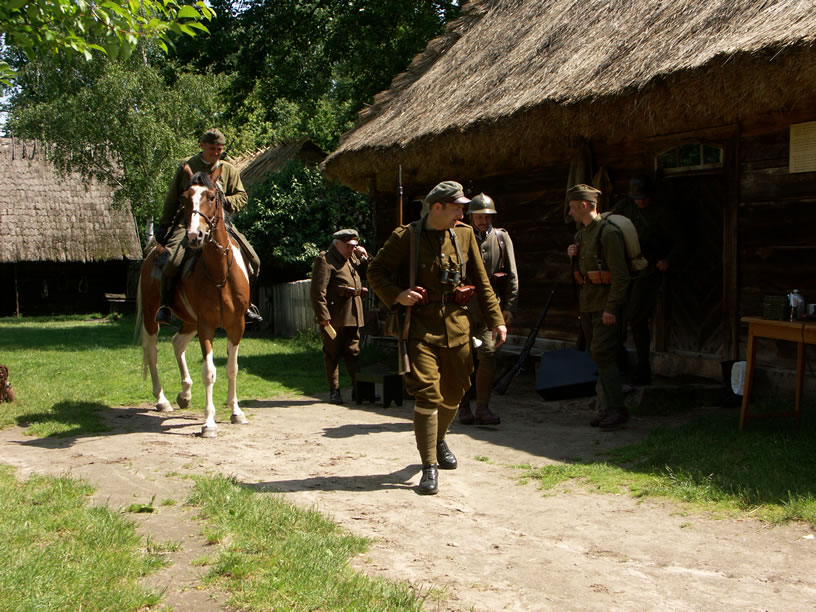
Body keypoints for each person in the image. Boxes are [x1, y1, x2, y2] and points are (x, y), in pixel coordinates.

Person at [368, 181, 506, 495]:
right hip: (418, 326)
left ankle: (439, 438)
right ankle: (429, 464)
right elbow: (375, 272)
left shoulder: (465, 235)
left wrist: (497, 321)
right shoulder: (406, 237)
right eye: (457, 208)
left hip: (457, 326)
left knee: (455, 392)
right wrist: (398, 295)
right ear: (437, 207)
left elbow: (482, 283)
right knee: (428, 394)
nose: (462, 214)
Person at [154, 128, 263, 325]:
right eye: (212, 148)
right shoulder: (187, 166)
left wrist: (223, 200)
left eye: (219, 149)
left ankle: (246, 305)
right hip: (188, 223)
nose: (216, 152)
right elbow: (172, 198)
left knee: (254, 261)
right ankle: (166, 305)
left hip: (220, 223)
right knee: (172, 261)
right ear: (202, 146)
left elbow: (242, 196)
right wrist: (164, 224)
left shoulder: (228, 169)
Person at [566, 184, 630, 430]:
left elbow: (620, 276)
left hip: (605, 305)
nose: (570, 213)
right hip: (589, 304)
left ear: (583, 205)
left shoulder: (608, 233)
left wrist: (611, 308)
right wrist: (572, 254)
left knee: (603, 353)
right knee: (597, 355)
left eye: (572, 207)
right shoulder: (582, 235)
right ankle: (607, 408)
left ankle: (618, 409)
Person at [612, 176, 682, 385]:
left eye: (643, 197)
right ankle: (618, 363)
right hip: (625, 269)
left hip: (648, 270)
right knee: (616, 314)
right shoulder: (624, 207)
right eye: (637, 198)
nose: (640, 201)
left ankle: (643, 369)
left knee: (637, 318)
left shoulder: (662, 213)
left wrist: (668, 260)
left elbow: (680, 240)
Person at [458, 193, 519, 425]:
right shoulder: (460, 237)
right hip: (463, 307)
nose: (484, 220)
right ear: (471, 216)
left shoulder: (501, 237)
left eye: (488, 216)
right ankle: (463, 406)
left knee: (488, 354)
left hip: (490, 307)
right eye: (479, 216)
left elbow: (512, 275)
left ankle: (483, 408)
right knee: (463, 357)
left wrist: (509, 306)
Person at [310, 229, 370, 405]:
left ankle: (359, 391)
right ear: (338, 244)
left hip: (353, 314)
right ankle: (334, 391)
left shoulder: (353, 259)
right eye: (349, 246)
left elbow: (370, 273)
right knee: (332, 354)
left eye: (354, 246)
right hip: (334, 316)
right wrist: (323, 316)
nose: (352, 249)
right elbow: (317, 292)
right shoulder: (325, 260)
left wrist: (365, 256)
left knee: (354, 352)